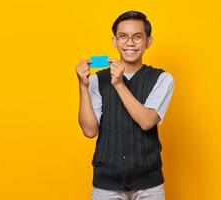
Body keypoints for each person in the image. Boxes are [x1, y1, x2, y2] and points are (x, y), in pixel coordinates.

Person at [75, 10, 175, 200]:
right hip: (106, 182)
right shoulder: (97, 80)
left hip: (149, 183)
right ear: (114, 41)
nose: (130, 43)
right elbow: (89, 131)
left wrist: (119, 84)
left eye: (137, 37)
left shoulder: (162, 79)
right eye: (123, 37)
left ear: (148, 42)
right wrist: (82, 86)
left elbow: (147, 121)